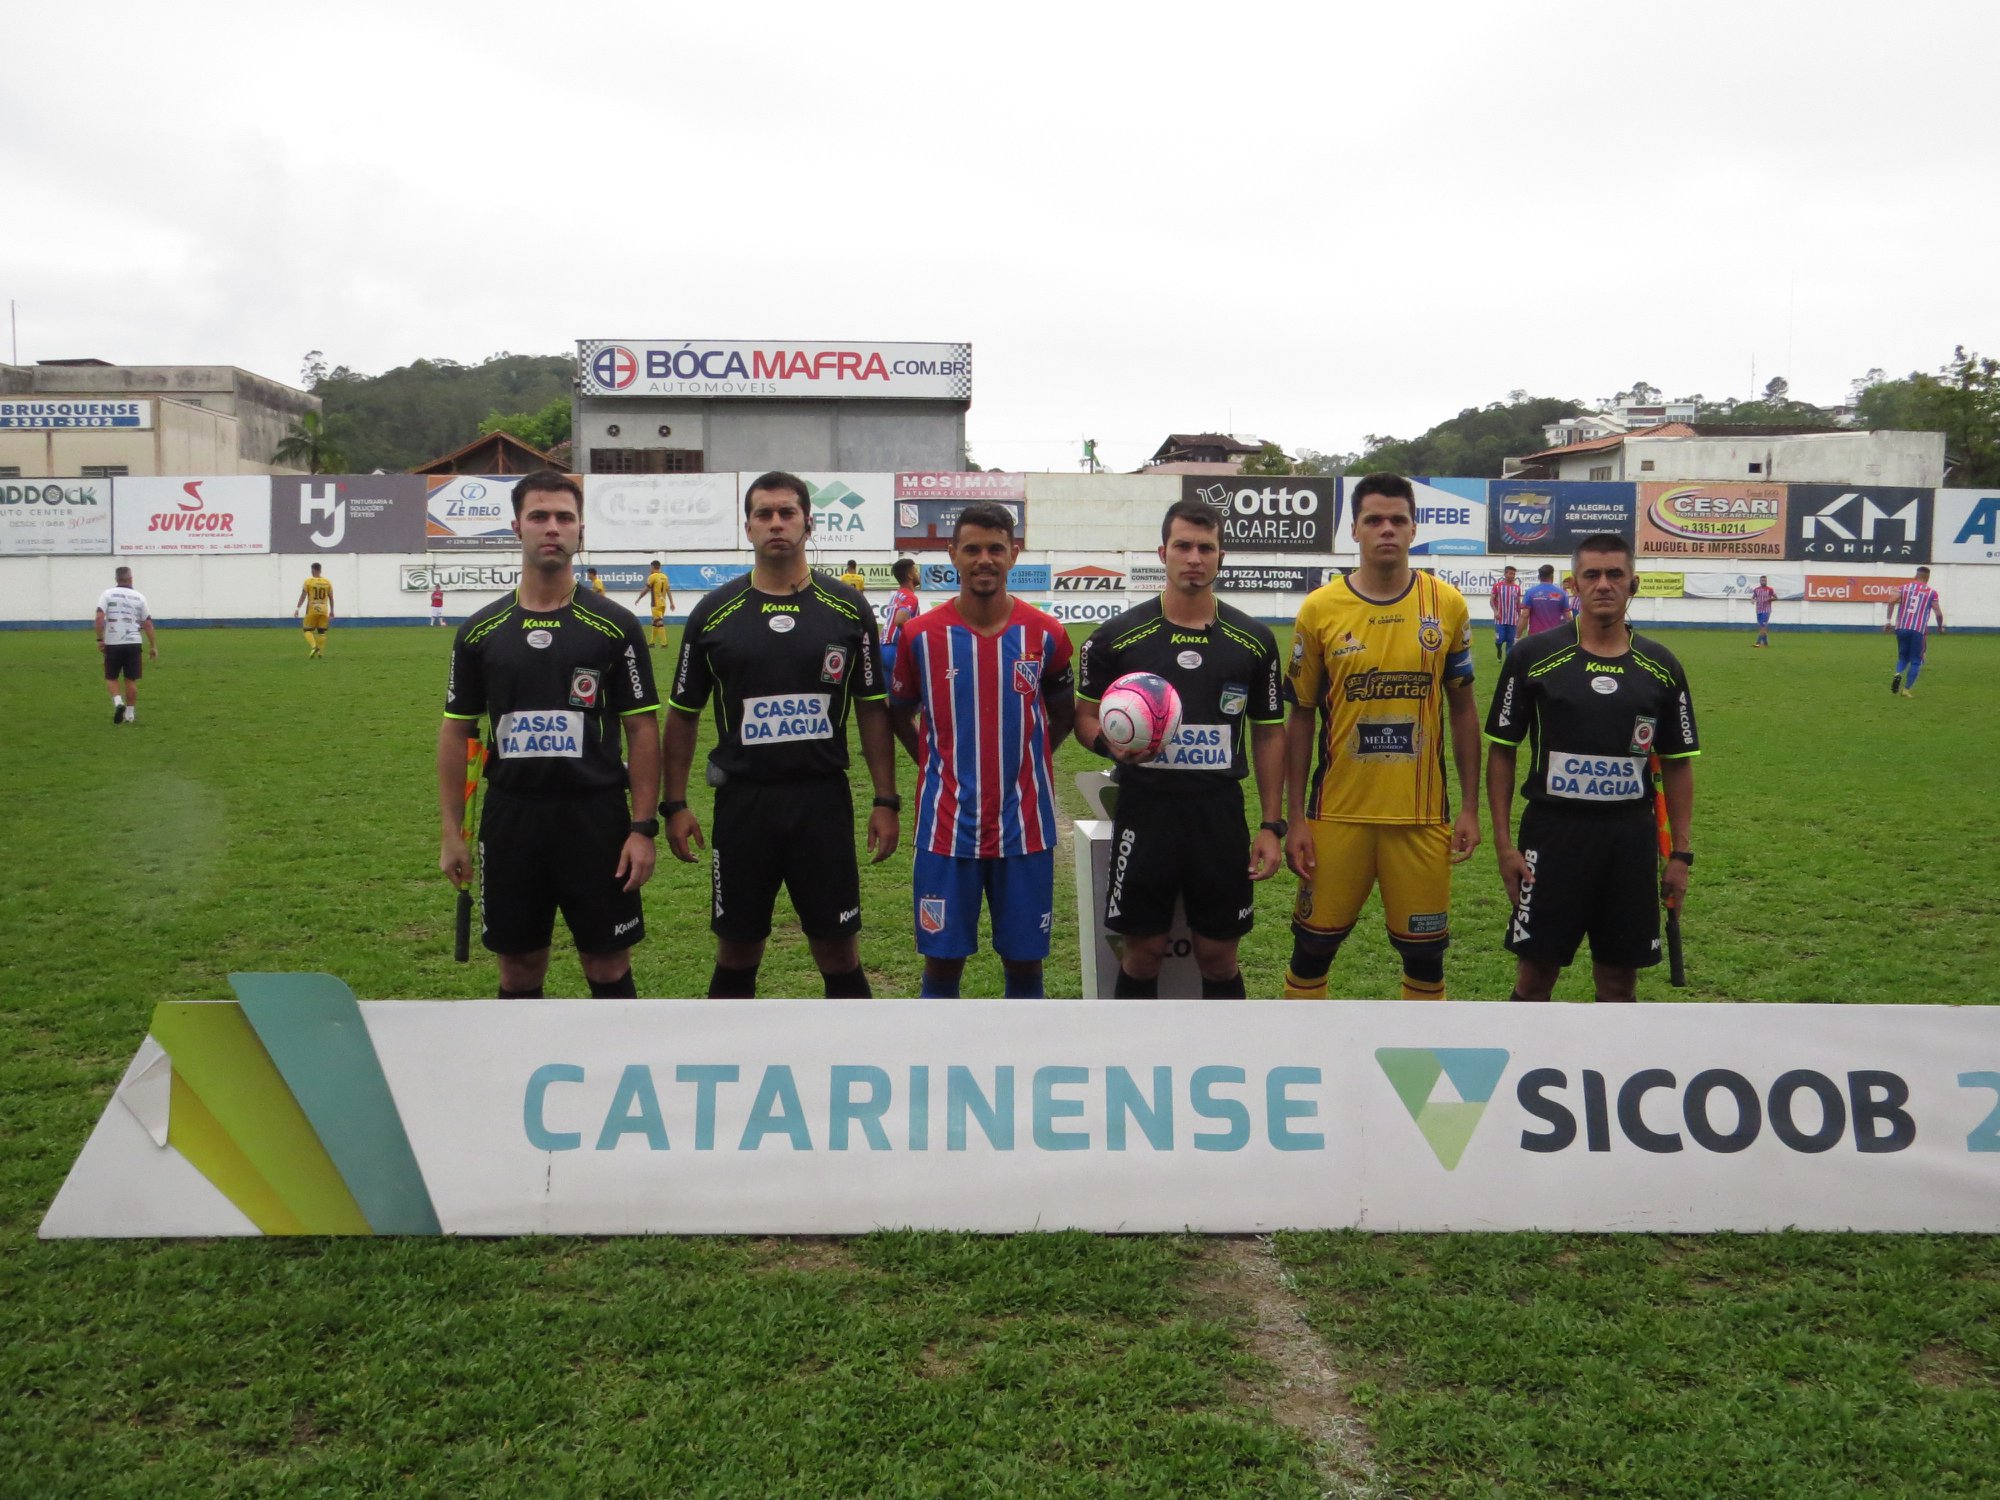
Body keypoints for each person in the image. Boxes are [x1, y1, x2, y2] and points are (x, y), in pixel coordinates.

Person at [661, 471, 899, 999]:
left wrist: (886, 799)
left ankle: (854, 1073)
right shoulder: (713, 613)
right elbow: (681, 715)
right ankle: (725, 1073)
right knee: (737, 951)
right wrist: (673, 804)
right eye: (763, 514)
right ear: (747, 527)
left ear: (809, 523)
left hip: (822, 802)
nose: (776, 523)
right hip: (744, 804)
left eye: (786, 512)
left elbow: (872, 709)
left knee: (839, 950)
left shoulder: (847, 609)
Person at [438, 471, 660, 1000]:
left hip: (597, 816)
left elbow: (642, 729)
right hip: (513, 816)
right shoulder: (481, 631)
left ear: (581, 529)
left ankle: (618, 1079)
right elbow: (456, 733)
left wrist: (642, 828)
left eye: (564, 517)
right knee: (518, 968)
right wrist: (452, 831)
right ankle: (517, 1082)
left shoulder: (614, 626)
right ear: (517, 527)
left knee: (607, 965)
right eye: (540, 516)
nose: (552, 528)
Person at [1280, 473, 1480, 1001]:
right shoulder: (1319, 609)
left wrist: (1470, 808)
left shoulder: (1449, 606)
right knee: (1312, 949)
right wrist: (1294, 816)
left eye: (1398, 520)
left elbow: (1463, 708)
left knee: (1425, 959)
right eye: (1374, 520)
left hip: (1421, 817)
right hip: (1336, 814)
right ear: (1355, 531)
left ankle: (1417, 1078)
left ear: (1415, 529)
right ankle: (1305, 1064)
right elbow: (1299, 716)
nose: (1386, 529)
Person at [1076, 498, 1285, 998]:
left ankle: (1228, 1064)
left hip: (1218, 814)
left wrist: (1272, 825)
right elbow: (1083, 717)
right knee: (1142, 955)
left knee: (1218, 958)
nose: (1194, 557)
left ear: (1221, 557)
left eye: (1206, 547)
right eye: (1183, 546)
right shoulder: (1117, 639)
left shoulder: (1253, 641)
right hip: (1145, 811)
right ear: (1162, 552)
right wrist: (1111, 746)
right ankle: (1135, 1066)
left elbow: (1271, 731)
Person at [1485, 533, 1698, 1003]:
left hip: (1629, 840)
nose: (1604, 584)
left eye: (1615, 575)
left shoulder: (1661, 666)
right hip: (1552, 836)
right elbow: (1502, 750)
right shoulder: (1532, 658)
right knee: (1535, 975)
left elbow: (1679, 764)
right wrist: (1504, 845)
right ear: (1573, 586)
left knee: (1620, 981)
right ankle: (1524, 1068)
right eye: (1592, 575)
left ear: (1634, 584)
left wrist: (1680, 855)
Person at [889, 502, 1074, 998]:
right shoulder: (920, 637)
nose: (984, 559)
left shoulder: (1047, 634)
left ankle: (1025, 1072)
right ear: (952, 554)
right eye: (972, 549)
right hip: (946, 831)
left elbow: (1065, 715)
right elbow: (897, 711)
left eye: (996, 548)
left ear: (1014, 554)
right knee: (941, 969)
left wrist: (1027, 763)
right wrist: (932, 763)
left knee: (1025, 967)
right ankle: (938, 1071)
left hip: (1026, 830)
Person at [95, 566, 158, 725]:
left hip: (113, 642)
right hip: (133, 642)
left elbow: (99, 617)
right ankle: (130, 715)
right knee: (131, 680)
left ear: (116, 579)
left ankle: (118, 702)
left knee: (111, 676)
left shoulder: (107, 594)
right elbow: (148, 624)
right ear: (131, 579)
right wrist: (153, 645)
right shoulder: (139, 597)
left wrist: (100, 639)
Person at [1887, 566, 1945, 697]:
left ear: (1916, 575)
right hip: (1918, 629)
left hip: (1901, 627)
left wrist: (1888, 621)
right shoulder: (1931, 593)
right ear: (1928, 577)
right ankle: (1906, 690)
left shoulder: (1903, 588)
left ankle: (1898, 674)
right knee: (1915, 660)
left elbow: (1891, 602)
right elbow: (1938, 613)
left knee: (1902, 657)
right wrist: (1940, 626)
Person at [881, 558, 922, 685]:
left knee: (888, 695)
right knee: (907, 696)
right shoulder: (910, 597)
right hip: (896, 650)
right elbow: (900, 620)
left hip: (883, 648)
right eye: (915, 570)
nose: (918, 574)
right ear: (910, 575)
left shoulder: (896, 595)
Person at [295, 562, 334, 658]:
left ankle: (314, 647)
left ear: (312, 570)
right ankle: (320, 653)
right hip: (324, 609)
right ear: (320, 570)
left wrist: (297, 608)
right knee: (322, 632)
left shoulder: (308, 581)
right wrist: (332, 611)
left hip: (312, 609)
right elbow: (331, 597)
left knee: (307, 630)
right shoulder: (327, 582)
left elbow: (303, 596)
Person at [634, 560, 674, 648]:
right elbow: (668, 590)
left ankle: (664, 643)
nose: (650, 568)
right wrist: (671, 602)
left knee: (658, 622)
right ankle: (652, 643)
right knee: (655, 622)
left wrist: (639, 598)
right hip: (663, 603)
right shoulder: (665, 577)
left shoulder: (652, 577)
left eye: (650, 567)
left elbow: (646, 589)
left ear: (652, 567)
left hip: (655, 603)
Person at [1521, 564, 1571, 634]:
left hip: (1535, 636)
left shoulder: (1530, 592)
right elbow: (1568, 617)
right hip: (1555, 635)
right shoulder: (1562, 593)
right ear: (1552, 577)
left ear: (1539, 577)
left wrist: (1517, 636)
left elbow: (1524, 616)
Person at [1489, 565, 1523, 664]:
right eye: (1510, 573)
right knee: (1499, 640)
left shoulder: (1517, 588)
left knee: (1510, 641)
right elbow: (1491, 600)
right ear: (1505, 574)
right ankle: (1499, 650)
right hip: (1500, 619)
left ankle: (1508, 660)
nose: (1512, 575)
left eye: (1513, 574)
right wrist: (1495, 611)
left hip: (1512, 620)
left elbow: (1518, 603)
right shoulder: (1498, 586)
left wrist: (1519, 616)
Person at [1751, 576, 1777, 647]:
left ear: (1766, 581)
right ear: (1760, 581)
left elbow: (1776, 597)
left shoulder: (1770, 589)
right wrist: (1752, 600)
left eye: (1764, 580)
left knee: (1763, 626)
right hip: (1758, 610)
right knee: (1762, 627)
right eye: (1762, 580)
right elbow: (1753, 597)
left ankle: (1758, 643)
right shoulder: (1756, 590)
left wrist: (1769, 599)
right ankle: (1765, 643)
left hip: (1766, 610)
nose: (1763, 582)